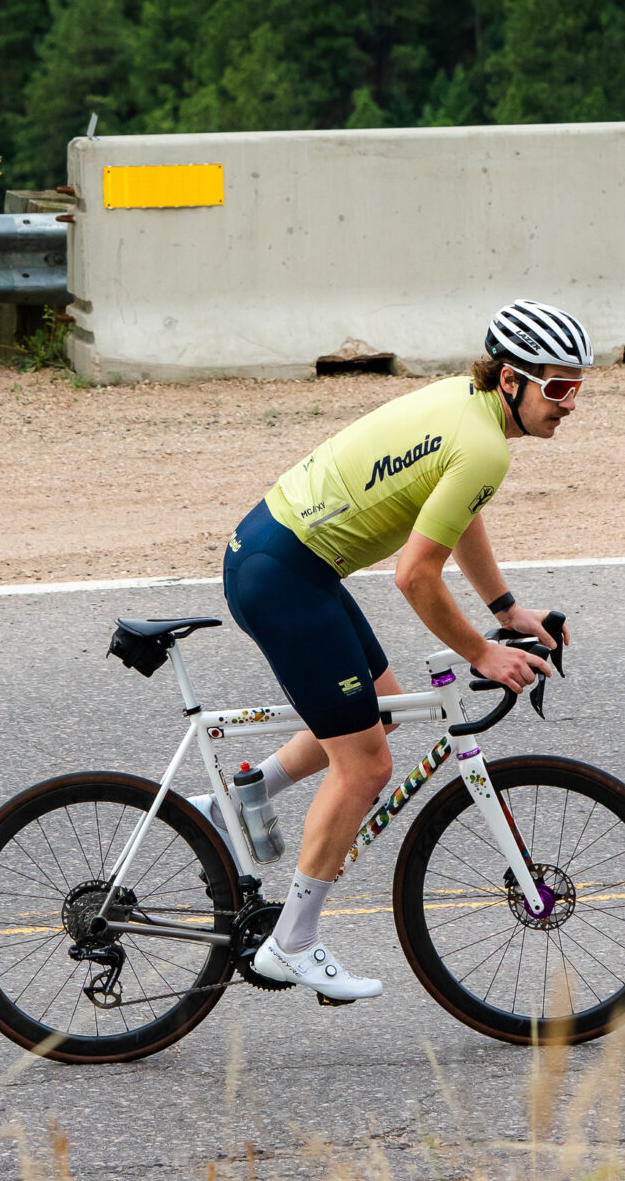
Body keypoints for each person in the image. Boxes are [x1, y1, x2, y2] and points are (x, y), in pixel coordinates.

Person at [219, 299, 590, 1002]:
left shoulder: (471, 408)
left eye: (579, 388)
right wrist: (483, 650)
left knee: (381, 712)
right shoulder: (483, 444)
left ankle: (246, 794)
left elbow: (456, 513)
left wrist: (507, 609)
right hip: (285, 575)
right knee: (365, 766)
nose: (572, 404)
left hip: (284, 562)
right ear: (513, 378)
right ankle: (291, 944)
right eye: (560, 387)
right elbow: (415, 574)